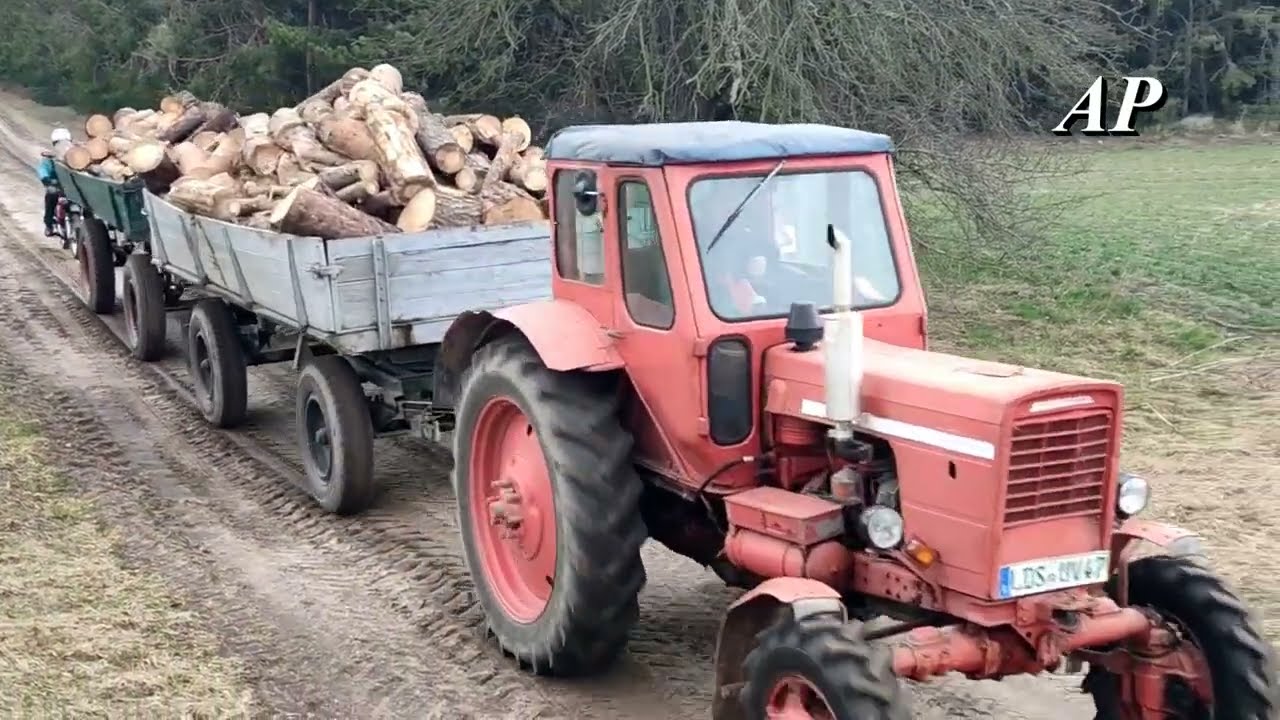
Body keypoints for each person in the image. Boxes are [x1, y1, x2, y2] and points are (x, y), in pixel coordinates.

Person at [39, 128, 71, 236]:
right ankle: (49, 224)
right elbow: (43, 169)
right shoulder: (49, 158)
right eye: (58, 143)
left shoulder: (74, 156)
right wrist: (46, 178)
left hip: (71, 186)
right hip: (56, 185)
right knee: (51, 196)